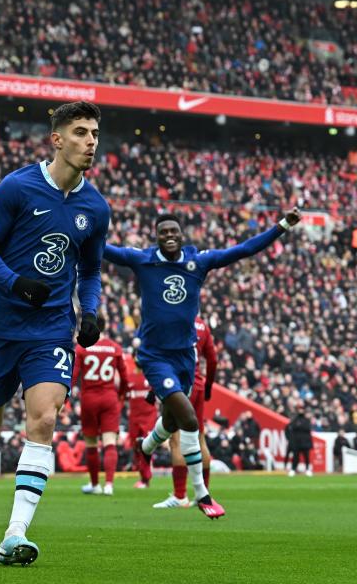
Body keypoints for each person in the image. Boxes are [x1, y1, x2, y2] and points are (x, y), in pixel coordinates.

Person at [0, 101, 110, 566]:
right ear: (57, 140)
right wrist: (13, 283)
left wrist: (89, 311)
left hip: (50, 330)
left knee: (44, 420)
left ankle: (14, 533)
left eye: (94, 133)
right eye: (81, 132)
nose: (91, 141)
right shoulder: (17, 187)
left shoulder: (96, 208)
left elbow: (89, 272)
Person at [105, 208, 302, 519]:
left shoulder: (198, 262)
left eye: (174, 232)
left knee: (170, 421)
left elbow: (244, 249)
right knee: (189, 421)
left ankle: (144, 447)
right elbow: (103, 250)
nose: (169, 236)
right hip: (155, 356)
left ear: (182, 235)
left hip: (185, 357)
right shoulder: (142, 259)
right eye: (163, 232)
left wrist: (282, 226)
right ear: (155, 236)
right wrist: (72, 226)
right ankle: (203, 495)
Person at [154, 314, 216, 508]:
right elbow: (213, 360)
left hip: (178, 386)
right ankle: (202, 493)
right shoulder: (202, 326)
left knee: (176, 439)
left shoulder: (172, 320)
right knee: (200, 439)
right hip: (197, 384)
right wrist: (208, 388)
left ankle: (180, 495)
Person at [72, 315, 127, 496]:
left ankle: (95, 484)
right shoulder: (115, 348)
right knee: (110, 442)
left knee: (91, 443)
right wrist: (120, 396)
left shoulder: (82, 348)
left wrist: (66, 397)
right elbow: (124, 378)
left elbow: (74, 376)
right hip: (109, 397)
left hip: (89, 399)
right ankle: (109, 485)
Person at [126, 347, 157, 488]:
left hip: (149, 416)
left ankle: (146, 478)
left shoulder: (151, 375)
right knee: (136, 447)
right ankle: (142, 476)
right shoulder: (129, 377)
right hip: (134, 417)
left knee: (145, 445)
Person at [286, 408, 313, 477]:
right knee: (295, 457)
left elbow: (307, 428)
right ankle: (293, 469)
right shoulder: (295, 420)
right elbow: (291, 427)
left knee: (306, 457)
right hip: (297, 442)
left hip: (305, 442)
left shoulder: (306, 420)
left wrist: (299, 426)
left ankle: (307, 469)